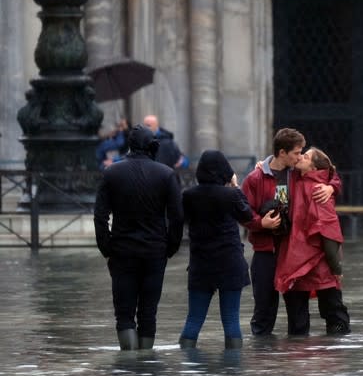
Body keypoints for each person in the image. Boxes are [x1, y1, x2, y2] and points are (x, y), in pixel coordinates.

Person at [240, 128, 341, 336]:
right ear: (282, 153)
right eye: (297, 152)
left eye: (302, 152)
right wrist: (261, 224)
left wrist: (332, 187)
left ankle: (294, 355)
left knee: (298, 314)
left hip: (293, 252)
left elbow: (327, 171)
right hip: (265, 251)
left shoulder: (296, 173)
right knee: (264, 311)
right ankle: (263, 361)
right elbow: (242, 211)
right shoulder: (256, 178)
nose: (300, 157)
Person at [94, 124, 184, 350]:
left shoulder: (112, 173)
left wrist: (107, 248)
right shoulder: (166, 174)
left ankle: (129, 366)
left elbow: (100, 217)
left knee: (124, 314)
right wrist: (169, 248)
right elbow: (177, 218)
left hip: (122, 252)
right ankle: (145, 367)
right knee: (148, 312)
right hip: (155, 252)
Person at [178, 150, 253, 350]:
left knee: (193, 320)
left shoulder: (188, 196)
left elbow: (180, 222)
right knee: (231, 321)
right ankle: (232, 371)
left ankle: (189, 366)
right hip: (230, 263)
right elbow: (247, 215)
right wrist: (236, 186)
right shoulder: (231, 194)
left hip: (201, 264)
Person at [275, 147, 350, 335]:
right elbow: (329, 233)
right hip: (310, 263)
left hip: (303, 262)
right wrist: (336, 269)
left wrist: (335, 268)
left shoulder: (318, 190)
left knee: (299, 324)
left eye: (305, 156)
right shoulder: (293, 180)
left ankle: (301, 358)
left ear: (313, 167)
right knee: (335, 317)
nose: (300, 156)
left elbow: (327, 232)